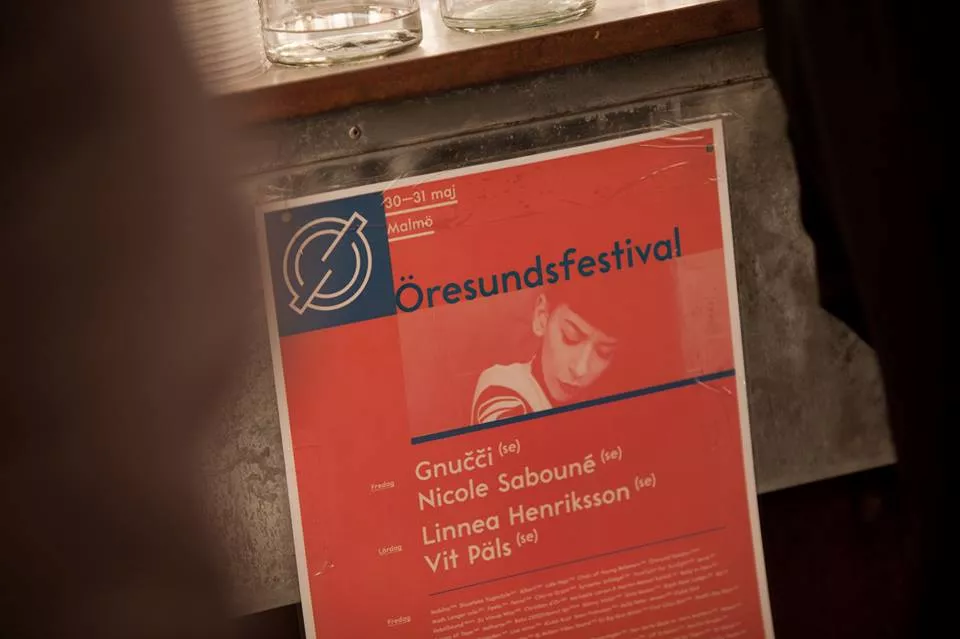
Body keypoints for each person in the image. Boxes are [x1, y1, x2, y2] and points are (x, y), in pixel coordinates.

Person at [471, 285, 622, 424]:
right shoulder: (502, 386)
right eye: (570, 337)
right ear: (542, 317)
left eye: (604, 353)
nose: (580, 369)